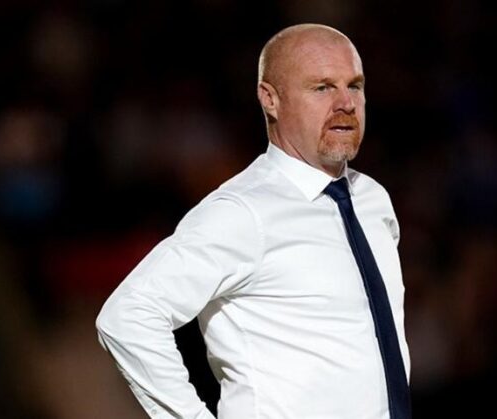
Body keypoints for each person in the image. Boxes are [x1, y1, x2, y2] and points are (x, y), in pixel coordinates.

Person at [96, 24, 411, 419]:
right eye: (322, 88)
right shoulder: (241, 212)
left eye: (355, 86)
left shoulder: (371, 200)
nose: (346, 103)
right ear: (270, 99)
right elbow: (128, 315)